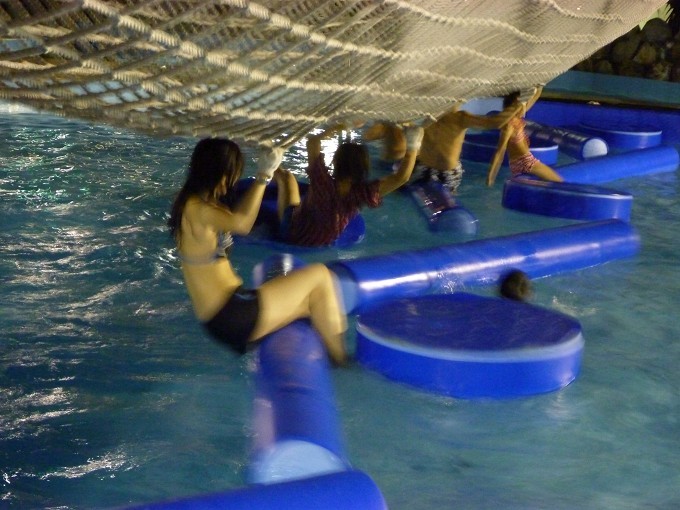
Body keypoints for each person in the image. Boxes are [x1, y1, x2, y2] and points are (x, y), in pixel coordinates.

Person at [168, 138, 347, 365]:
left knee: (311, 305)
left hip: (225, 316)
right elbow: (242, 224)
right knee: (321, 276)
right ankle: (342, 363)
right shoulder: (198, 210)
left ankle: (333, 360)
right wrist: (264, 176)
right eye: (232, 174)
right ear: (219, 173)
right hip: (232, 314)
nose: (233, 181)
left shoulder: (191, 203)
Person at [273, 123, 424, 247]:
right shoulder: (362, 194)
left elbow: (312, 141)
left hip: (293, 233)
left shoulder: (321, 179)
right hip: (322, 241)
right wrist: (412, 145)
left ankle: (270, 164)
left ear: (335, 162)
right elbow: (401, 178)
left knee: (287, 178)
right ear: (363, 168)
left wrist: (337, 127)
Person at [411, 101, 523, 194]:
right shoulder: (430, 114)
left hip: (445, 172)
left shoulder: (460, 118)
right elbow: (493, 122)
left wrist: (517, 105)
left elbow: (494, 122)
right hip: (424, 166)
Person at [486, 86, 564, 186]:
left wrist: (539, 86)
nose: (525, 105)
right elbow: (500, 152)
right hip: (525, 162)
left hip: (523, 161)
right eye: (522, 103)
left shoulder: (517, 117)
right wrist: (491, 175)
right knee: (559, 182)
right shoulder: (509, 125)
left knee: (547, 183)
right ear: (514, 106)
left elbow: (535, 97)